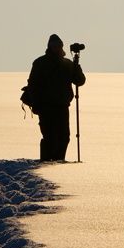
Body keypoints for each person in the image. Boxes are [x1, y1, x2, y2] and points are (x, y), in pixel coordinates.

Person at [27, 34, 86, 162]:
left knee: (64, 137)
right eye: (54, 45)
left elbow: (80, 81)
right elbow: (33, 85)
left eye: (59, 45)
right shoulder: (40, 63)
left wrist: (76, 67)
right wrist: (36, 104)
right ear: (49, 47)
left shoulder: (67, 64)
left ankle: (59, 162)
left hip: (62, 105)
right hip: (45, 106)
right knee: (49, 137)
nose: (57, 48)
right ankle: (46, 163)